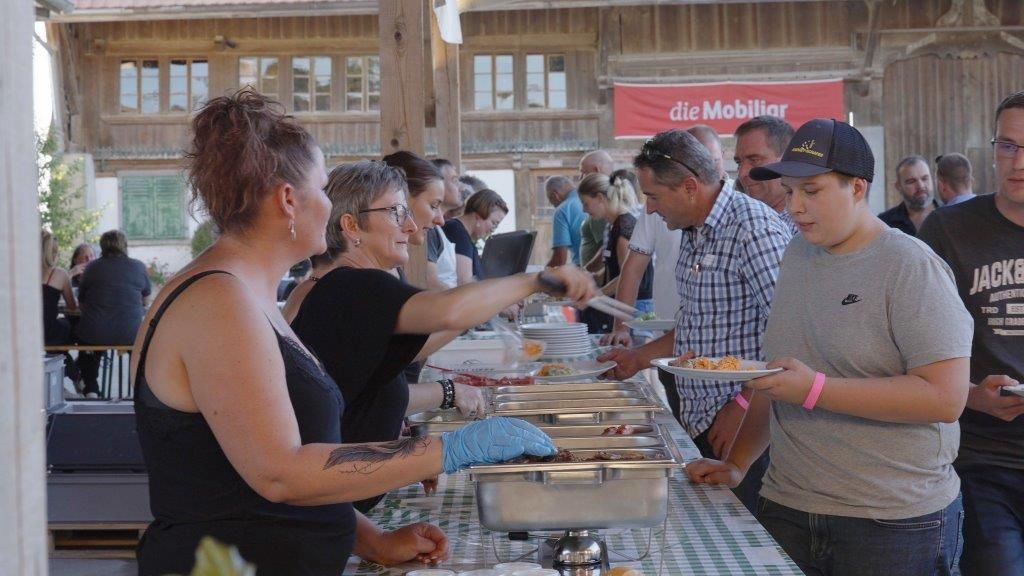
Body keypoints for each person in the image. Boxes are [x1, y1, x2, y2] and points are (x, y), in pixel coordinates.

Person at [130, 89, 560, 576]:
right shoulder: (218, 302)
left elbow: (250, 463)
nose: (331, 205)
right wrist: (449, 450)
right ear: (288, 200)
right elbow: (281, 473)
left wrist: (370, 538)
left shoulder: (246, 294)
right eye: (323, 189)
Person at [686, 118, 972, 576]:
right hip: (790, 504)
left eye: (812, 191)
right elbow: (776, 378)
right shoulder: (798, 254)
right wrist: (737, 463)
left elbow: (945, 397)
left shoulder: (910, 265)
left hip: (892, 521)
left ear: (857, 188)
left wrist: (815, 390)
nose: (795, 206)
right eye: (791, 190)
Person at [291, 160, 598, 512]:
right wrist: (535, 279)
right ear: (351, 225)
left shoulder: (339, 290)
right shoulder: (353, 285)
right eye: (395, 213)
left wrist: (410, 454)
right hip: (331, 503)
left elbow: (374, 385)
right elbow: (446, 312)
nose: (410, 225)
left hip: (345, 505)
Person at [597, 129, 791, 513]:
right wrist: (636, 358)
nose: (649, 209)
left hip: (744, 431)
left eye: (653, 197)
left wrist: (741, 403)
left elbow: (790, 334)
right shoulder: (693, 231)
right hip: (707, 418)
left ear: (688, 186)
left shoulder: (752, 227)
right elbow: (696, 325)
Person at [918, 91, 1024, 576]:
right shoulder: (948, 229)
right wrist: (973, 397)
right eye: (1007, 145)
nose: (1017, 162)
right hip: (983, 459)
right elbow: (910, 350)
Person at [76, 229, 152, 398]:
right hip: (130, 333)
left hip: (95, 332)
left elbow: (82, 303)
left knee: (88, 340)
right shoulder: (138, 266)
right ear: (124, 246)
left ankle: (91, 388)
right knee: (140, 347)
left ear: (102, 246)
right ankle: (141, 389)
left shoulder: (92, 267)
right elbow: (146, 300)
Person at [576, 173, 653, 318]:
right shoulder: (614, 225)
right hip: (627, 303)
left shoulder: (623, 227)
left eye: (585, 203)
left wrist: (595, 296)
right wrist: (588, 279)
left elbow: (627, 276)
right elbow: (614, 270)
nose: (584, 210)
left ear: (600, 198)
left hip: (635, 305)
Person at [733, 115, 799, 235]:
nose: (742, 173)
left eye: (754, 160)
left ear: (786, 159)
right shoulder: (735, 221)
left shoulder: (807, 228)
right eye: (739, 163)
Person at [441, 189, 508, 285]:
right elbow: (464, 282)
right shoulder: (458, 233)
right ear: (478, 216)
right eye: (494, 223)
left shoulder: (463, 235)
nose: (493, 229)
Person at [878, 155, 938, 236]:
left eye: (924, 178)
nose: (920, 186)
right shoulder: (884, 224)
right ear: (898, 186)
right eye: (911, 181)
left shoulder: (949, 217)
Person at [426, 158, 463, 290]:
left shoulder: (437, 228)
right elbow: (430, 283)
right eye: (455, 180)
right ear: (438, 183)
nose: (461, 188)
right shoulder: (428, 229)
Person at [41, 231, 77, 345]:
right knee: (68, 324)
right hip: (49, 334)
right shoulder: (60, 274)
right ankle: (73, 360)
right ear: (53, 253)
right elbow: (72, 307)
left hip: (26, 331)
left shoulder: (19, 273)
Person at [545, 175, 584, 268]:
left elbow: (559, 260)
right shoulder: (588, 198)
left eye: (551, 200)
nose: (553, 205)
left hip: (583, 270)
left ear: (555, 195)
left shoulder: (562, 210)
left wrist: (542, 272)